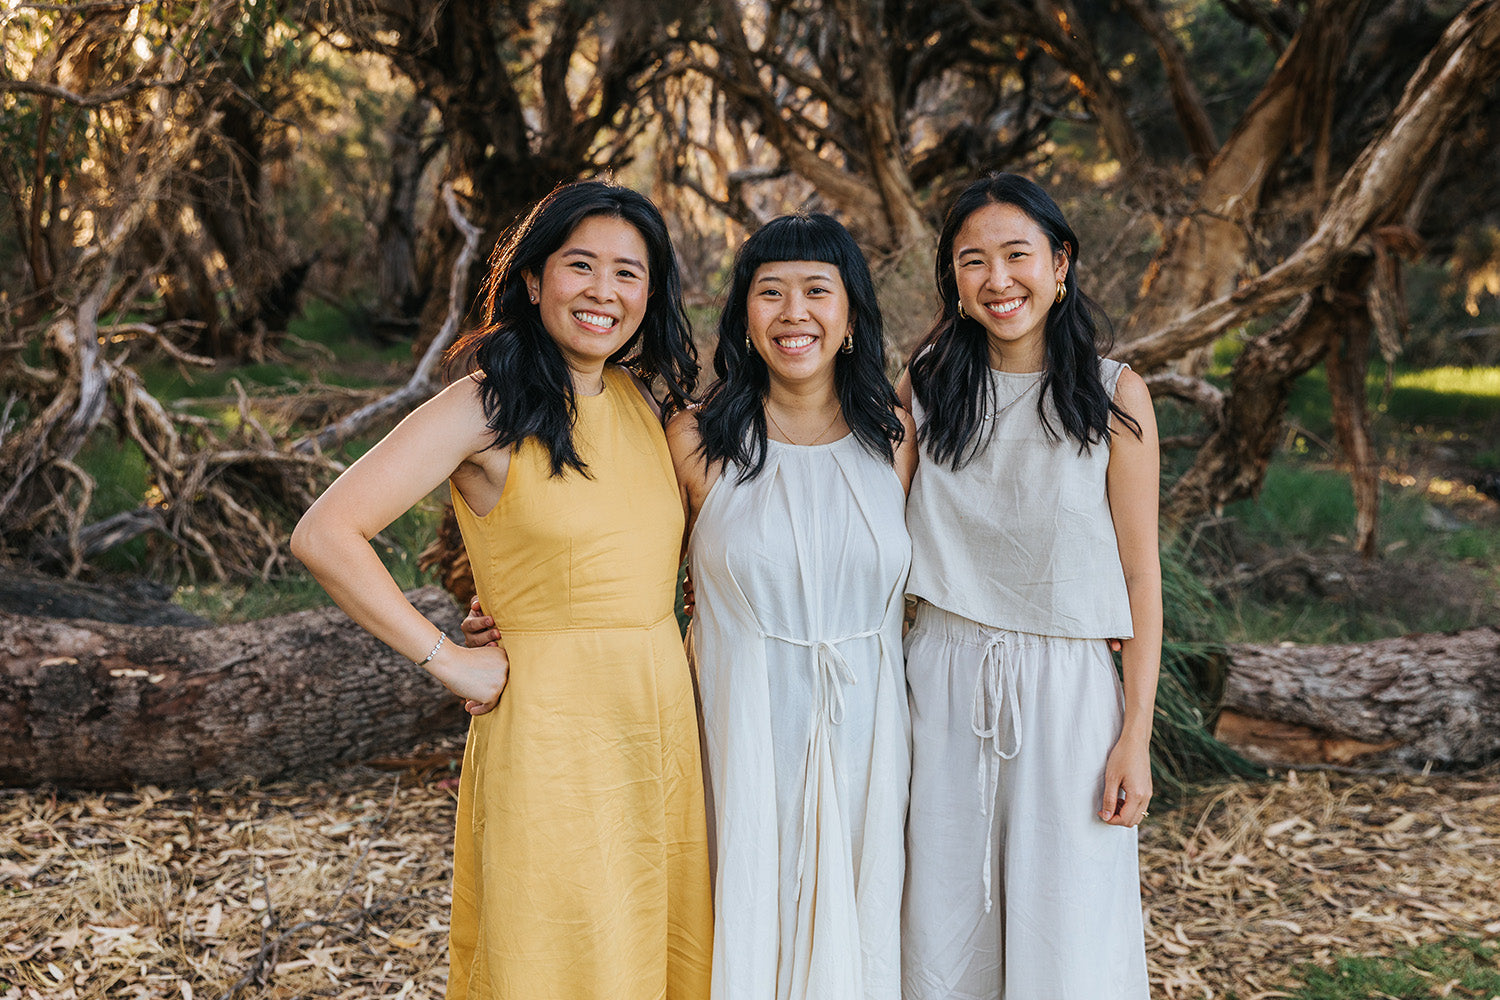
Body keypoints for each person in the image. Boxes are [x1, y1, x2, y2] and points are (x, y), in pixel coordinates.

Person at [291, 180, 713, 1000]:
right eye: (580, 265)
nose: (603, 291)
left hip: (657, 725)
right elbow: (325, 533)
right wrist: (447, 658)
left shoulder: (641, 402)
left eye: (627, 273)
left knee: (648, 947)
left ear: (650, 294)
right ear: (533, 279)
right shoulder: (483, 406)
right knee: (550, 954)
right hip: (552, 733)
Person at [897, 173, 1161, 1000]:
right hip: (941, 679)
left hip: (1068, 694)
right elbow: (869, 538)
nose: (998, 279)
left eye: (1018, 255)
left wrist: (1136, 734)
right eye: (973, 260)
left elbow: (1140, 573)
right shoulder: (926, 387)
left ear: (1061, 263)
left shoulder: (1114, 394)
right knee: (941, 928)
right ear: (953, 278)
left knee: (1067, 933)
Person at [672, 214, 916, 999]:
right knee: (744, 912)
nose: (793, 313)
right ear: (744, 316)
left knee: (862, 924)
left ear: (851, 316)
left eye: (817, 290)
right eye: (770, 292)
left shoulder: (896, 439)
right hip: (741, 721)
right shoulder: (694, 441)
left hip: (869, 730)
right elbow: (630, 578)